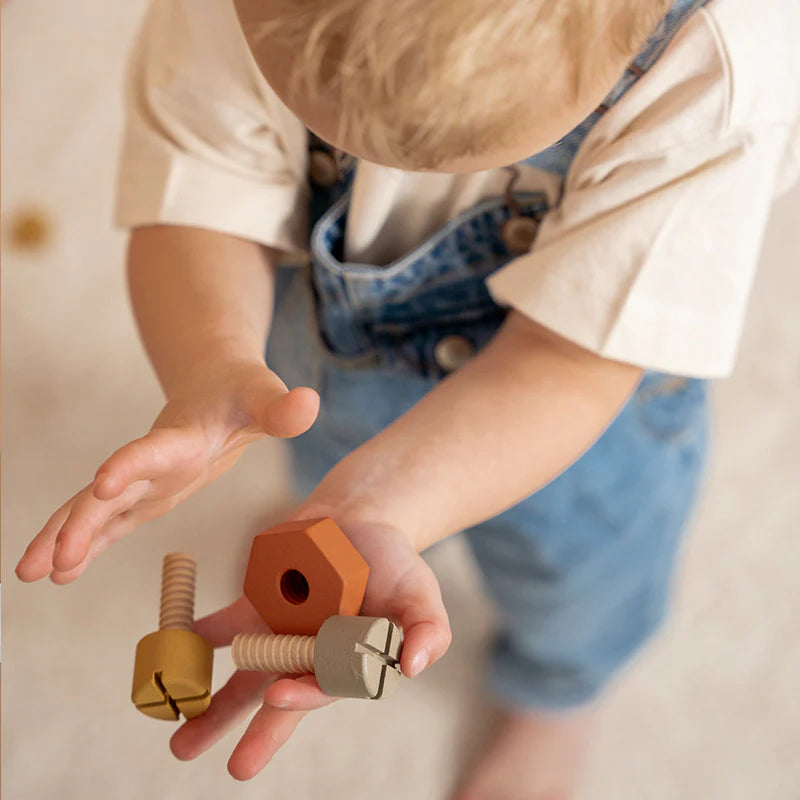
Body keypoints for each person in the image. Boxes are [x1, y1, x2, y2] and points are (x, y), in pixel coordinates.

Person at [15, 0, 800, 796]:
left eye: (453, 151)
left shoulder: (717, 67)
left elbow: (571, 358)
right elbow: (202, 194)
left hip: (574, 415)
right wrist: (213, 365)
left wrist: (392, 504)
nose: (388, 172)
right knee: (314, 471)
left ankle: (553, 698)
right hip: (322, 373)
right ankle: (343, 515)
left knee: (576, 593)